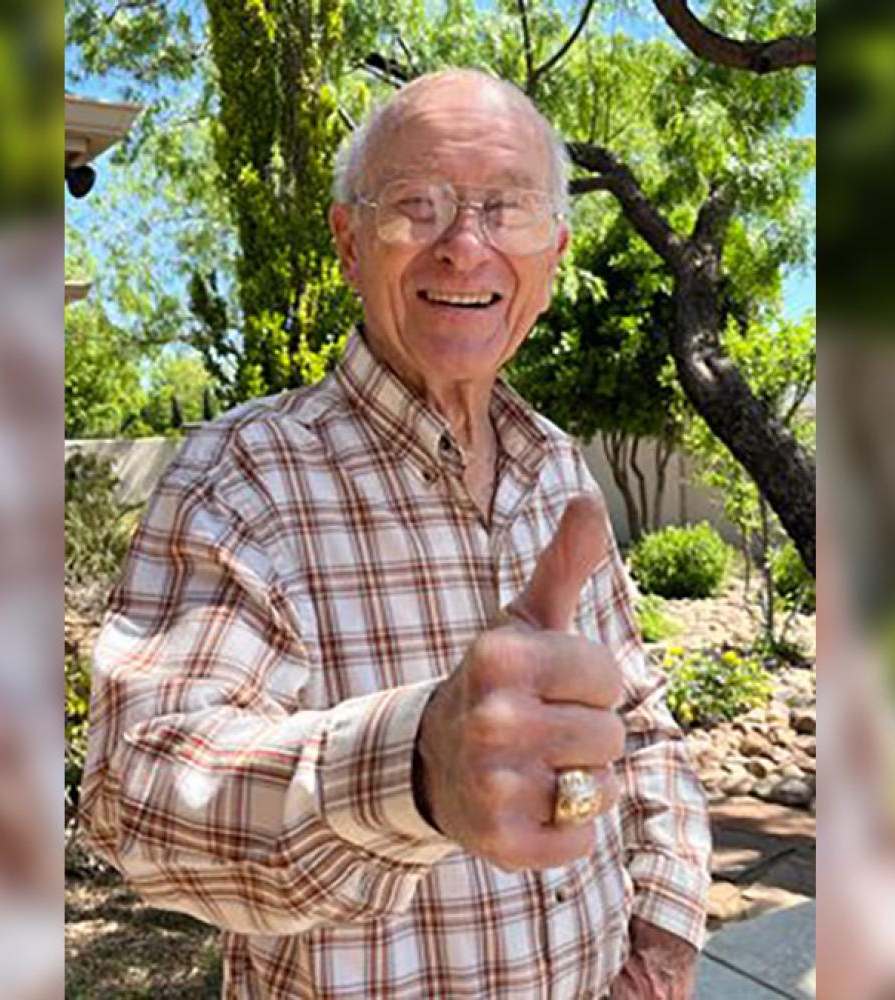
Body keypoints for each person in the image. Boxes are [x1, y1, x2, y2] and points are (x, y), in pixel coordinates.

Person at [79, 68, 712, 999]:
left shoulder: (559, 470)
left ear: (553, 252)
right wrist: (415, 768)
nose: (467, 246)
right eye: (418, 205)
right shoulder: (245, 476)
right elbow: (140, 793)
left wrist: (661, 937)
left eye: (508, 209)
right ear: (348, 242)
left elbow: (640, 725)